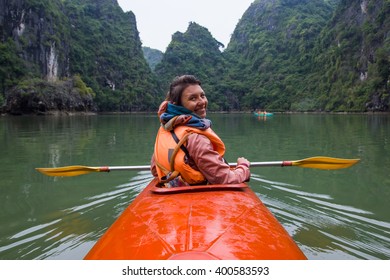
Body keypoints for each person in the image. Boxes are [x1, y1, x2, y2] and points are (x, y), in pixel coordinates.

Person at [150, 75, 250, 187]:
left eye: (202, 96)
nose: (202, 102)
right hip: (195, 197)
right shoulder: (196, 138)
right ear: (177, 105)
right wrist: (243, 166)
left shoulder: (165, 129)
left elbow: (155, 170)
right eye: (193, 98)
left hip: (170, 193)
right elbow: (225, 179)